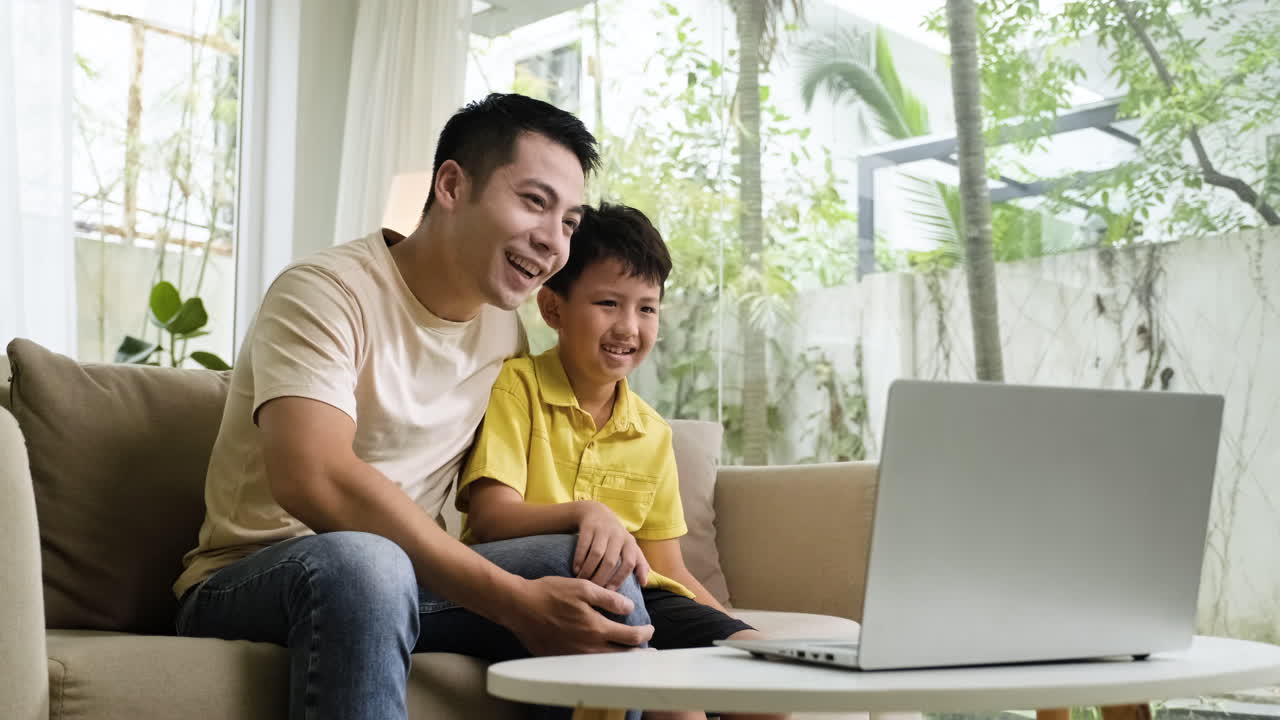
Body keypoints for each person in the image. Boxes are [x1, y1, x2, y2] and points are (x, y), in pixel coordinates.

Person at [172, 94, 654, 720]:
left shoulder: (501, 332)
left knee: (602, 572)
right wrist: (512, 600)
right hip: (253, 576)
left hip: (408, 581)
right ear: (451, 185)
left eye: (568, 222)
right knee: (368, 562)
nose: (552, 241)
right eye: (534, 202)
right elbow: (313, 478)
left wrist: (589, 516)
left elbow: (496, 502)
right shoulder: (324, 292)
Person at [457, 203, 782, 720]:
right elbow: (492, 519)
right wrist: (586, 513)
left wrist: (734, 628)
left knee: (768, 682)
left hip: (645, 597)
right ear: (553, 309)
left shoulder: (652, 432)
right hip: (540, 587)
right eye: (608, 303)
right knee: (678, 709)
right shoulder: (517, 387)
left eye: (647, 308)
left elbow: (667, 567)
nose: (628, 327)